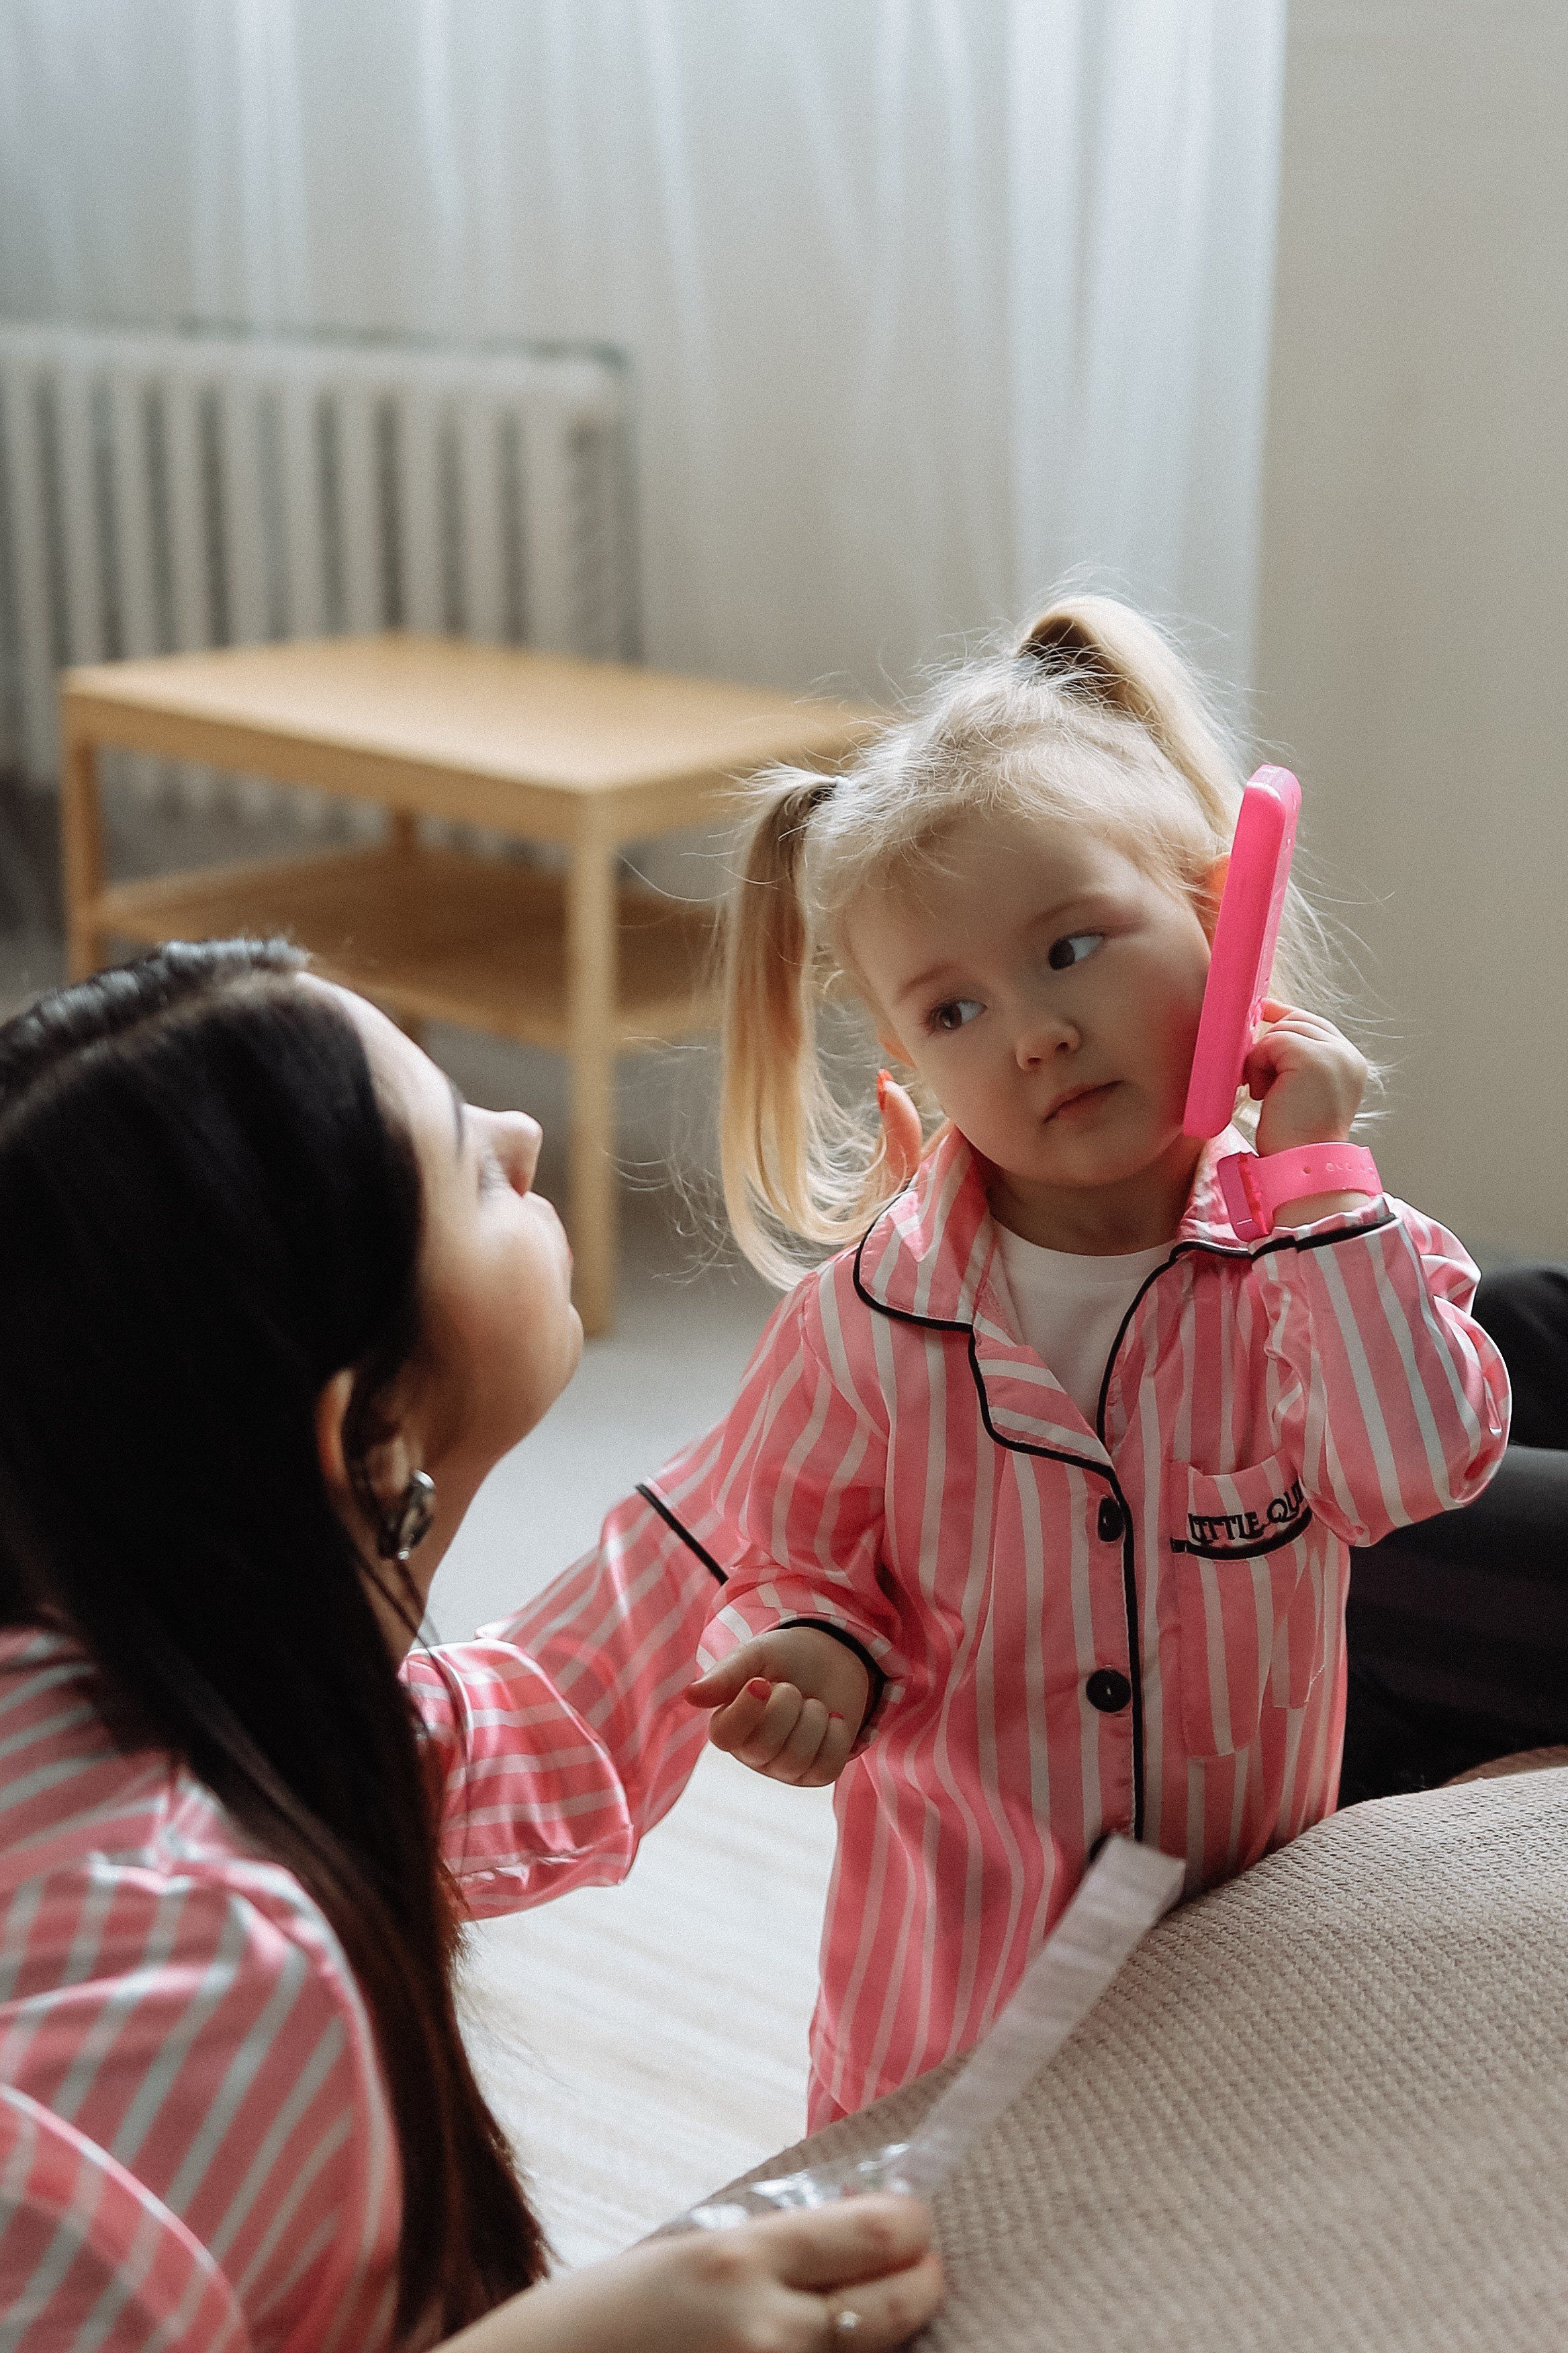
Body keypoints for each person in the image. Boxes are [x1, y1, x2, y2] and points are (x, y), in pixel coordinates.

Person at [570, 594, 1509, 2131]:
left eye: (1069, 948)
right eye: (955, 1008)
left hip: (1238, 1954)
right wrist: (814, 1647)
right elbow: (794, 1551)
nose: (1033, 1034)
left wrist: (1321, 1185)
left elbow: (1410, 1472)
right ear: (906, 1063)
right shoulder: (869, 1320)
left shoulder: (1336, 1254)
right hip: (949, 1983)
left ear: (1223, 917)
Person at [0, 940, 942, 2353]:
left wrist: (842, 1355)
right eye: (463, 1156)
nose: (521, 1129)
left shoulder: (133, 1670)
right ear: (372, 1436)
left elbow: (543, 1717)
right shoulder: (200, 1968)